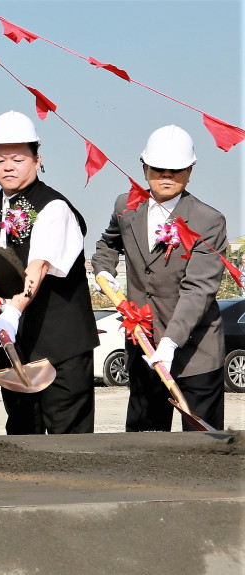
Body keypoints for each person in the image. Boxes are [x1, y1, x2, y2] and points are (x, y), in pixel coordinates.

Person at [0, 110, 98, 435]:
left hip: (62, 349)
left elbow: (39, 265)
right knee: (22, 440)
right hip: (17, 351)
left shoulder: (54, 207)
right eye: (0, 159)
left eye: (18, 158)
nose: (8, 166)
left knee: (69, 446)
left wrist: (12, 311)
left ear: (37, 160)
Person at [92, 125, 226, 431]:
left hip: (196, 351)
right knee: (144, 441)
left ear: (191, 170)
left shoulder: (209, 221)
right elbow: (108, 245)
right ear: (144, 167)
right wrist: (103, 269)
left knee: (201, 444)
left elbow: (199, 289)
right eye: (158, 168)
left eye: (176, 170)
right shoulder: (126, 206)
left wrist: (170, 342)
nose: (167, 176)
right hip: (142, 341)